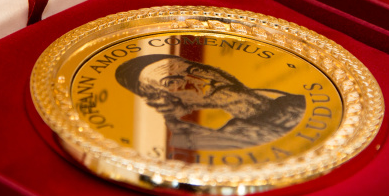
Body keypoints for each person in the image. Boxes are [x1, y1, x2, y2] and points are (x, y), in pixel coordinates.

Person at [114, 54, 305, 152]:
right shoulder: (220, 142)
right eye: (172, 82)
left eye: (195, 69)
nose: (203, 80)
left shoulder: (297, 99)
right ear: (164, 99)